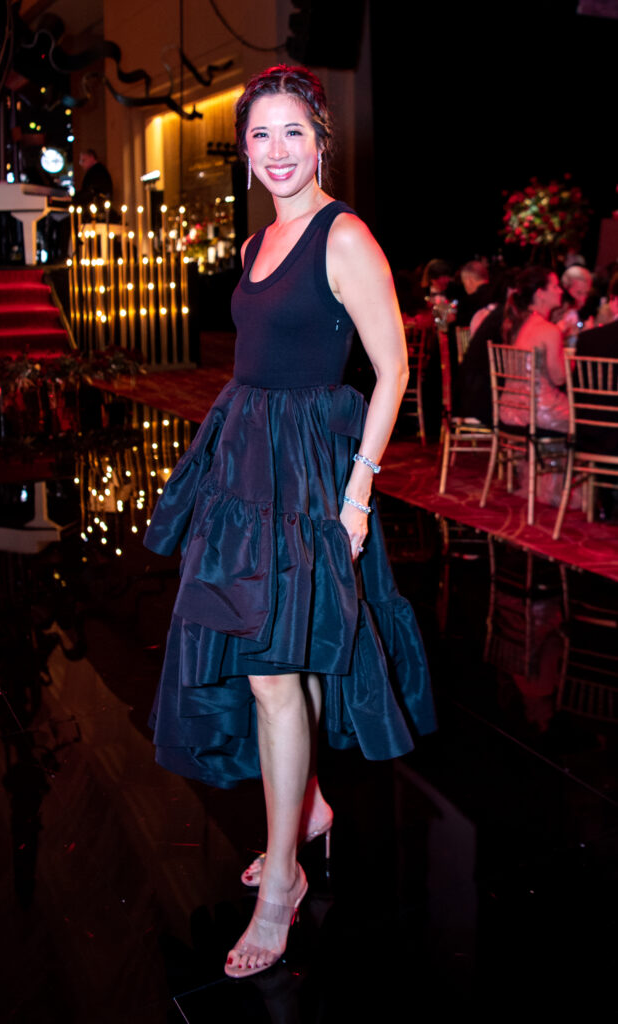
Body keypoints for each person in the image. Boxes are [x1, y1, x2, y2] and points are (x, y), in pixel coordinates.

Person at [143, 65, 435, 980]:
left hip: (311, 472)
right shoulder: (255, 243)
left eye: (292, 133)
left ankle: (282, 888)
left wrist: (355, 495)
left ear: (320, 141)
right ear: (245, 152)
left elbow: (389, 372)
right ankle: (303, 810)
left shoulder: (342, 235)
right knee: (288, 658)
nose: (275, 152)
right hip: (246, 463)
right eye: (259, 136)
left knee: (274, 672)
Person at [500, 266, 568, 432]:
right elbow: (559, 378)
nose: (560, 291)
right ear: (540, 293)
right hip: (540, 413)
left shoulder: (516, 325)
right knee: (591, 417)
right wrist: (570, 361)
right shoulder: (549, 330)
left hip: (508, 409)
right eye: (555, 286)